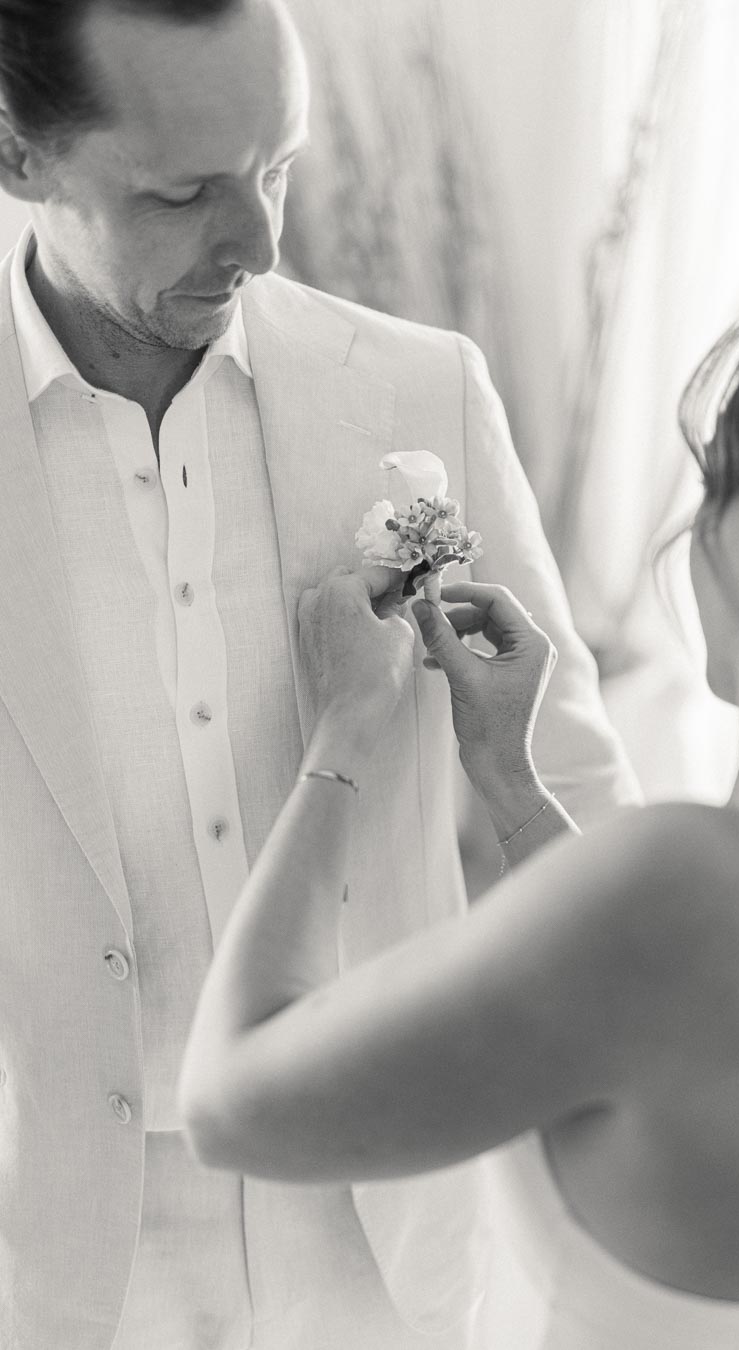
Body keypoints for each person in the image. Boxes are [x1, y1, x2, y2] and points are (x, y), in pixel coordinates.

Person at [0, 1, 636, 1347]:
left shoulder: (421, 395)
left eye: (277, 166)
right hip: (40, 1260)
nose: (264, 243)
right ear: (20, 157)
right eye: (184, 193)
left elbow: (588, 832)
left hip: (379, 1238)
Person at [182, 284, 739, 1349]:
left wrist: (343, 737)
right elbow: (656, 1017)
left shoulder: (683, 885)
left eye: (711, 491)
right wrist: (511, 784)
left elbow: (231, 1100)